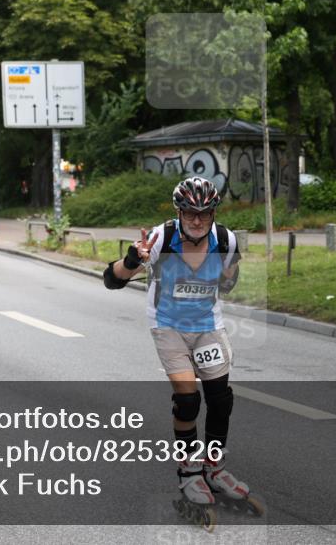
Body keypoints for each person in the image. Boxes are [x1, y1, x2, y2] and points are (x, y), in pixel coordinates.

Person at [103, 176, 254, 519]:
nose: (197, 221)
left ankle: (214, 468)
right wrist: (131, 259)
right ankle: (189, 472)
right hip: (168, 326)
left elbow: (228, 284)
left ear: (214, 213)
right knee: (188, 400)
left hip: (207, 327)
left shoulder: (226, 240)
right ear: (179, 212)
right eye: (190, 214)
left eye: (204, 213)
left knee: (220, 399)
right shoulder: (160, 239)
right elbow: (111, 280)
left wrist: (230, 276)